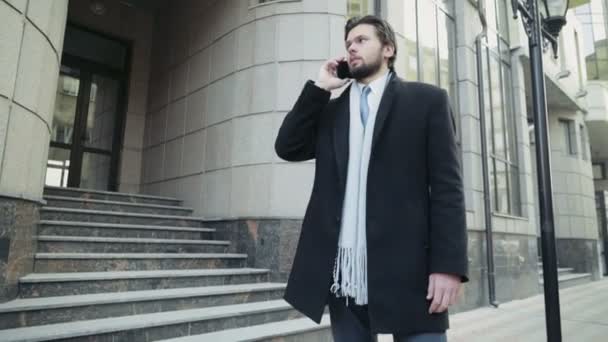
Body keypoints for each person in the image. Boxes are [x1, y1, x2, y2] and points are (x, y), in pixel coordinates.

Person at [274, 15, 468, 342]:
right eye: (348, 44)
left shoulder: (427, 101)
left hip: (411, 272)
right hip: (344, 276)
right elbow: (288, 147)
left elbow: (448, 189)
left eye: (362, 40)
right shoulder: (331, 112)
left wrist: (448, 266)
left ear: (388, 49)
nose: (351, 48)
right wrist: (320, 88)